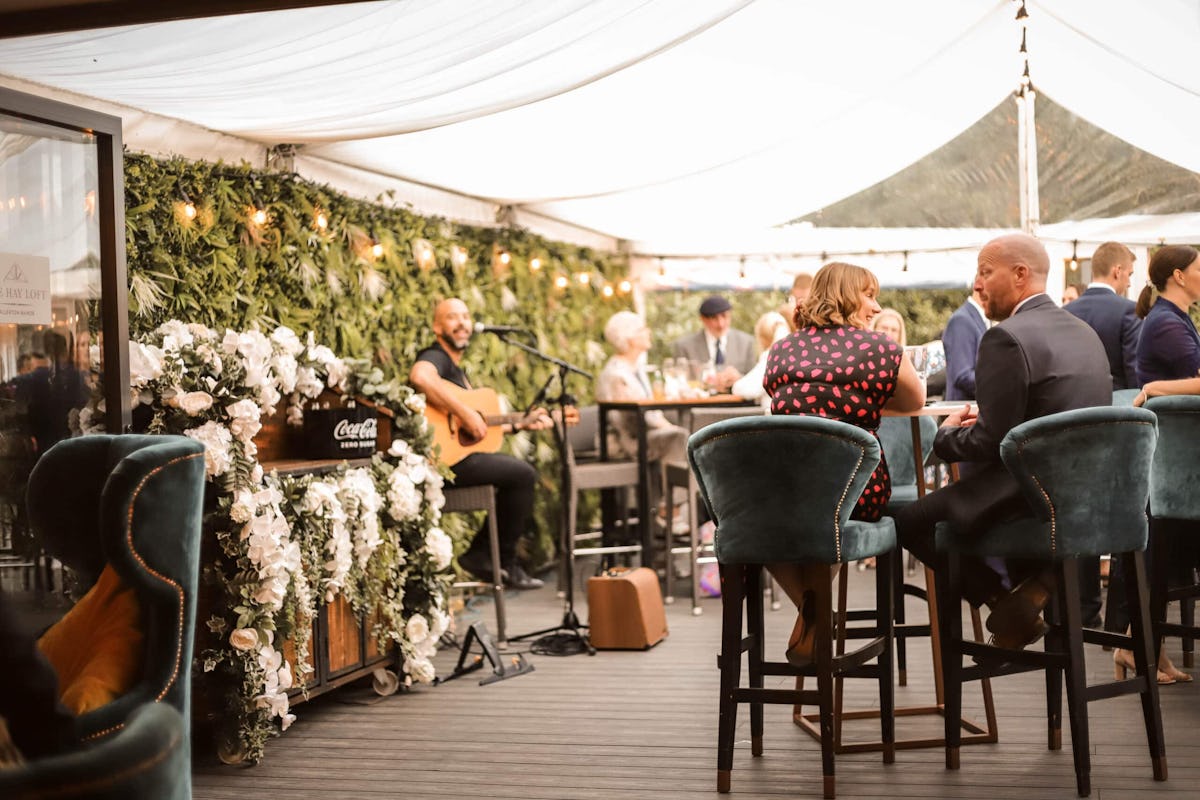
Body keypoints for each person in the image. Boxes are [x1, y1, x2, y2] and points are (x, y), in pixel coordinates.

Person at [896, 233, 1112, 652]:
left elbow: (989, 440)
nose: (976, 285)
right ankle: (1034, 589)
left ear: (1019, 275)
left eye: (984, 272)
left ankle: (1003, 599)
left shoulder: (1005, 337)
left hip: (1029, 497)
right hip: (1087, 497)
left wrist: (947, 435)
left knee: (909, 522)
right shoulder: (1084, 332)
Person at [763, 262, 926, 666]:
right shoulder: (882, 349)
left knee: (753, 521)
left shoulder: (781, 349)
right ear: (845, 296)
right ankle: (815, 611)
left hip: (787, 491)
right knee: (835, 501)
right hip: (856, 490)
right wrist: (863, 398)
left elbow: (782, 397)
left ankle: (810, 610)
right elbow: (914, 402)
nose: (875, 307)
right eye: (868, 295)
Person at [408, 298, 550, 590]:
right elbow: (420, 376)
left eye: (465, 316)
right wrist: (465, 413)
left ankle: (487, 554)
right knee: (522, 475)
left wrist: (518, 424)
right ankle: (493, 557)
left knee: (519, 474)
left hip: (456, 458)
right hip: (441, 464)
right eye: (451, 317)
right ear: (437, 327)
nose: (461, 322)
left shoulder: (458, 373)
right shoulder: (436, 356)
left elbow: (474, 429)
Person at [1062, 242, 1142, 630]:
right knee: (1121, 511)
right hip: (1114, 423)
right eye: (1129, 273)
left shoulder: (1066, 312)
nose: (1129, 281)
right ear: (1116, 272)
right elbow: (1134, 375)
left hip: (1070, 425)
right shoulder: (1128, 312)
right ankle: (1116, 617)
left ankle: (1084, 607)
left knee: (1080, 510)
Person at [596, 311, 688, 528]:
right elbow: (634, 416)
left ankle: (668, 509)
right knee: (679, 437)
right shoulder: (617, 374)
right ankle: (670, 509)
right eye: (641, 330)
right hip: (625, 441)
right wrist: (666, 424)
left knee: (678, 435)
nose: (648, 332)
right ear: (629, 339)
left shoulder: (635, 368)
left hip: (640, 435)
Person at [1134, 245, 1200, 386]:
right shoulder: (1166, 324)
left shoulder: (1173, 317)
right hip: (1175, 408)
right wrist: (1152, 388)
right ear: (1179, 276)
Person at [672, 295, 756, 392]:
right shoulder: (684, 346)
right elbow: (678, 383)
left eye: (724, 316)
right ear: (703, 319)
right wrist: (708, 383)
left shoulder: (746, 342)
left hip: (739, 404)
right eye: (714, 318)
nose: (721, 324)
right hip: (699, 405)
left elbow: (755, 380)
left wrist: (739, 379)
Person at [730, 310, 789, 406]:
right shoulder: (790, 355)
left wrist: (735, 381)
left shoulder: (771, 358)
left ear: (762, 339)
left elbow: (742, 389)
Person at [942, 285, 988, 402]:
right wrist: (998, 384)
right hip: (963, 413)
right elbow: (962, 375)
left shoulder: (979, 319)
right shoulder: (961, 320)